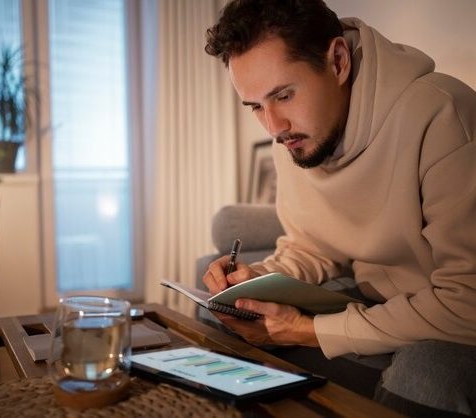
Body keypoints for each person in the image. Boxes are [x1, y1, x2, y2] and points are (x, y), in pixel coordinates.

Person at [202, 0, 476, 416]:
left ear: (338, 61)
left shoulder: (442, 114)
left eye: (284, 95)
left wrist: (310, 331)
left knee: (425, 376)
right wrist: (252, 281)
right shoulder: (296, 137)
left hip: (450, 322)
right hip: (378, 303)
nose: (273, 127)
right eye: (256, 106)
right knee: (217, 318)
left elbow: (466, 303)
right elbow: (311, 247)